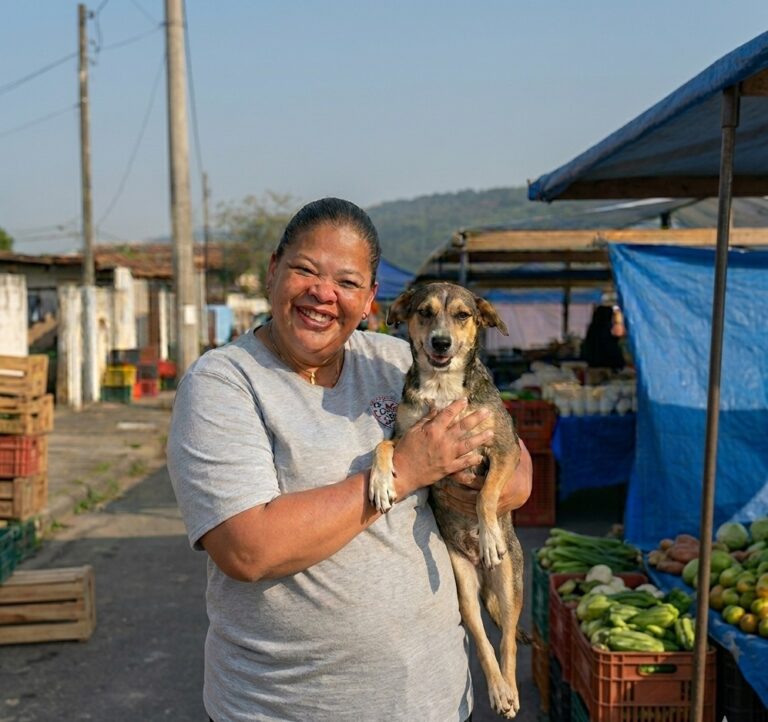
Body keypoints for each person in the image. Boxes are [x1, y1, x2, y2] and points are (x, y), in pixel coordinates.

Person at [167, 197, 533, 722]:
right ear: (273, 271)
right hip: (290, 707)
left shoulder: (397, 361)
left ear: (369, 302)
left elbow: (517, 466)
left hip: (435, 699)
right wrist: (408, 468)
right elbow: (246, 550)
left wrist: (484, 486)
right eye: (305, 270)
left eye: (346, 282)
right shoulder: (224, 383)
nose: (323, 293)